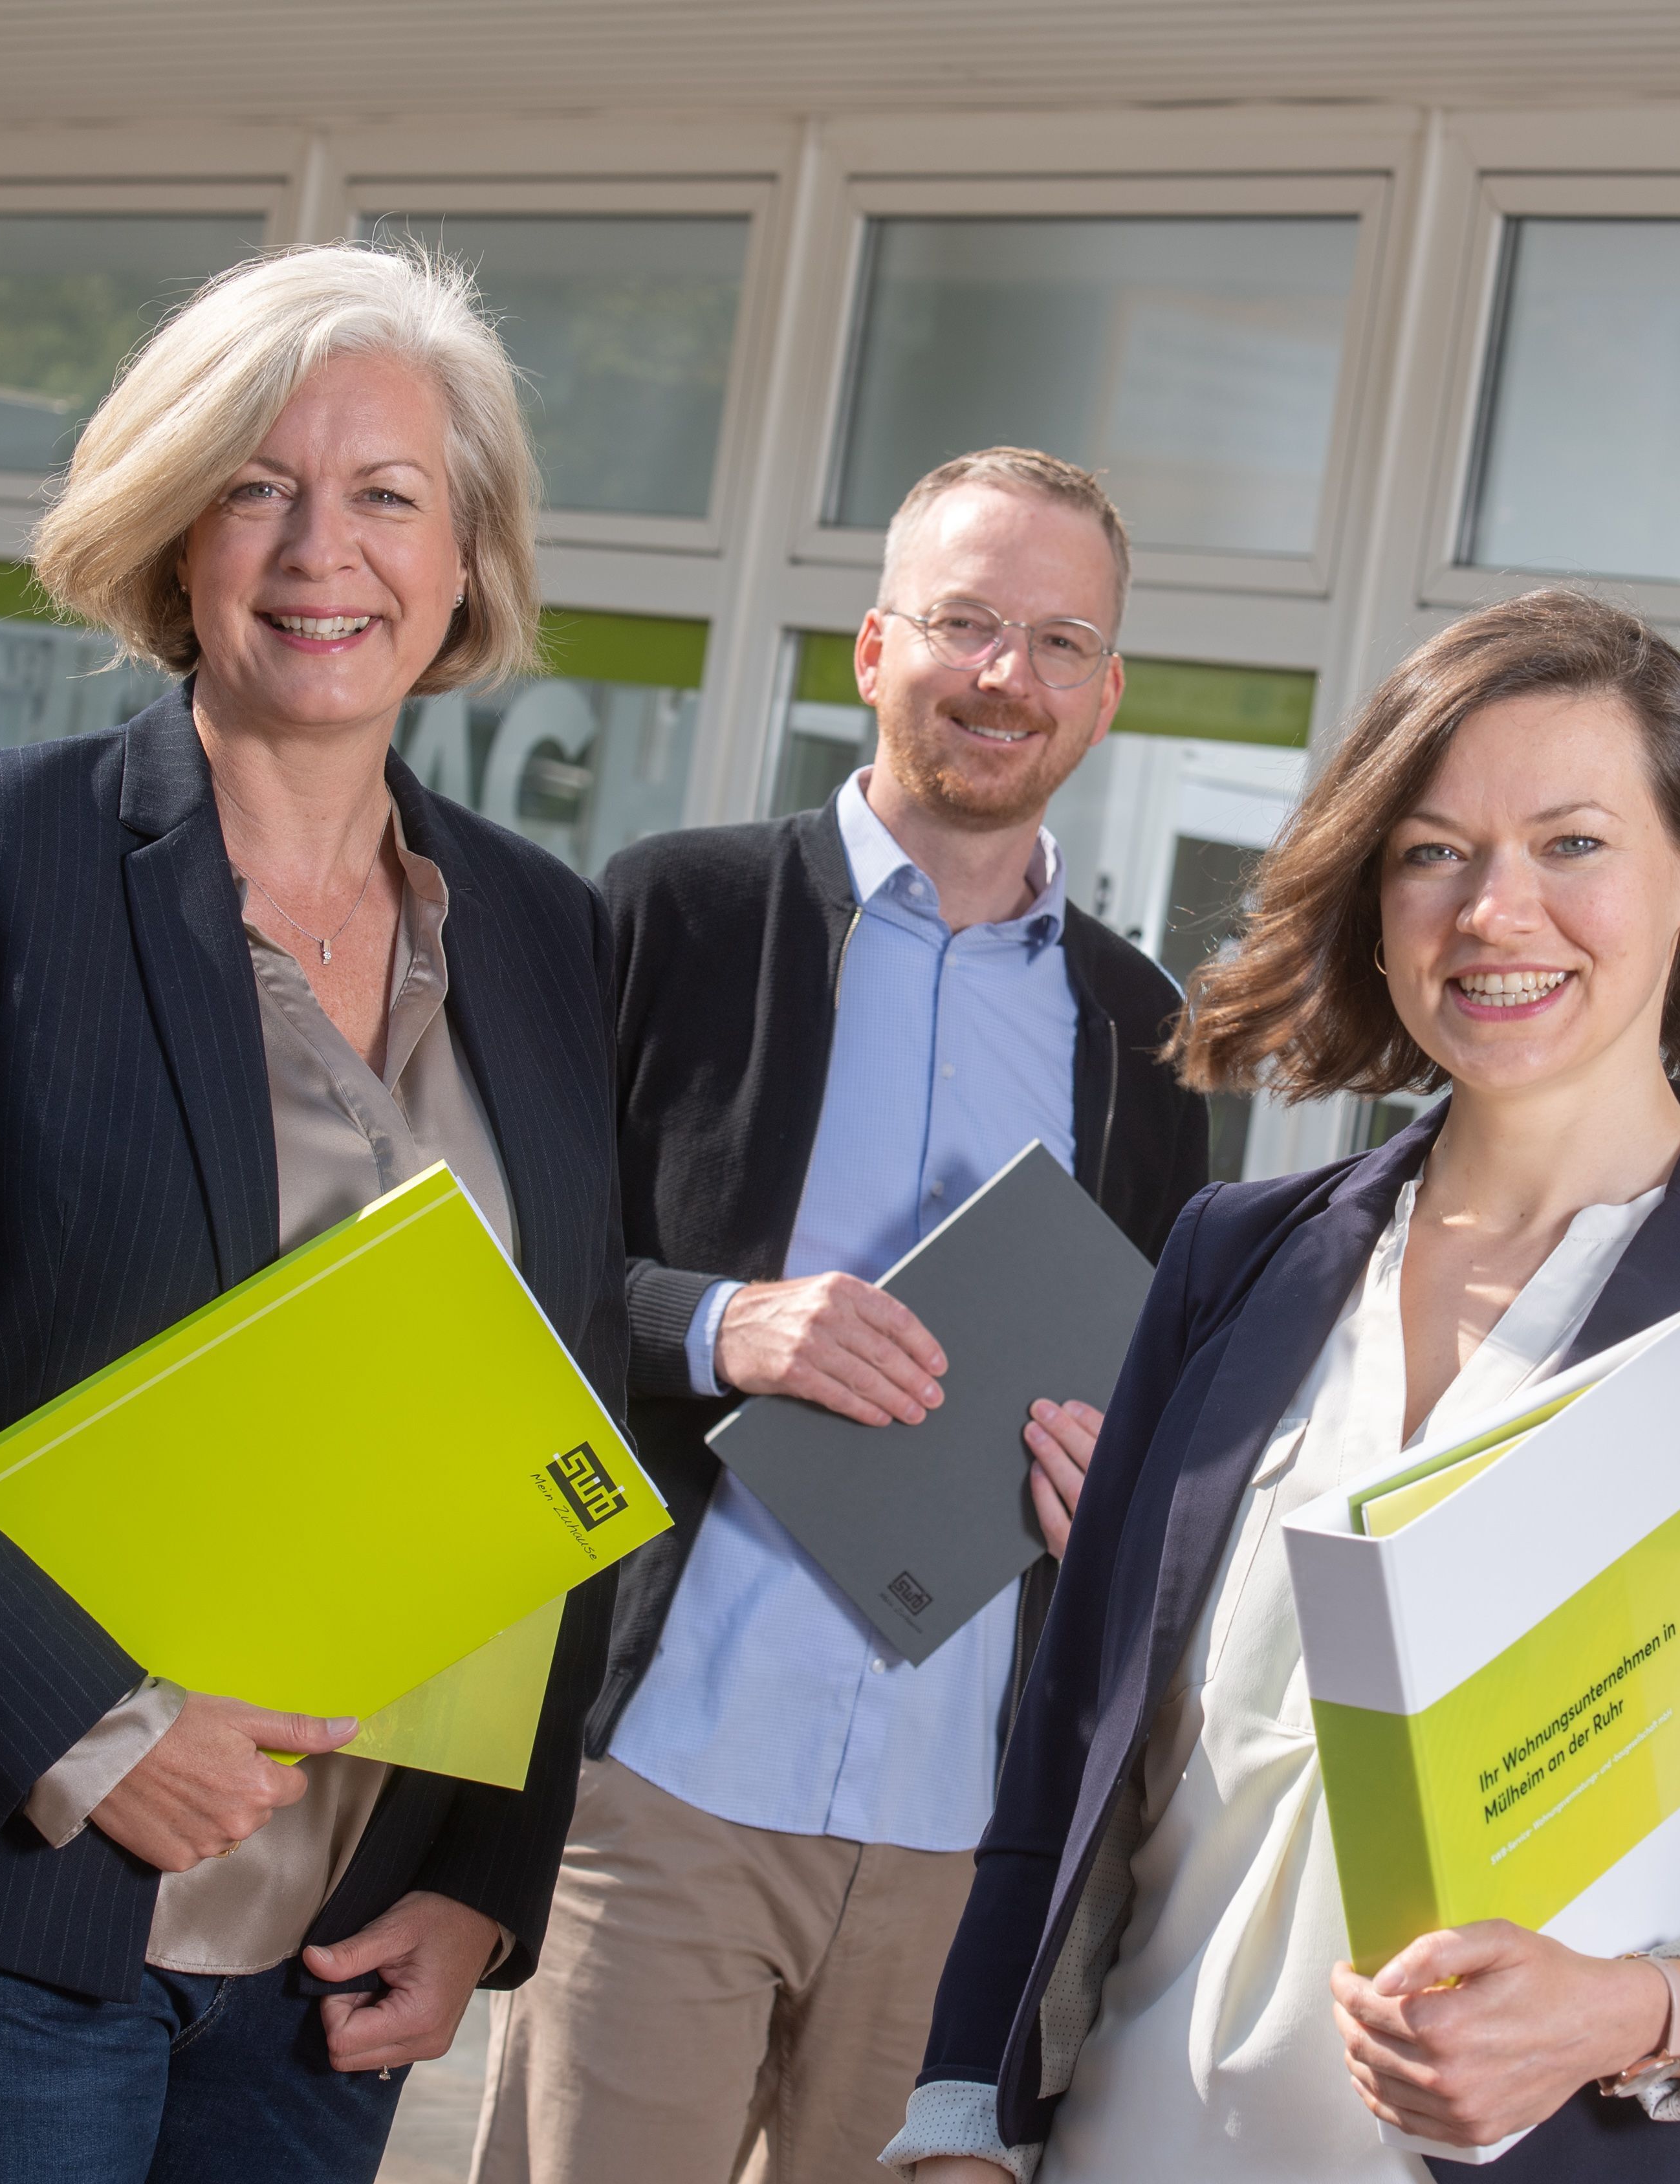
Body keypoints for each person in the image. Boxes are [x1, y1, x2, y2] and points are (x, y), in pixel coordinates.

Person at [0, 241, 624, 2183]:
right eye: (258, 486)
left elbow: (546, 1416)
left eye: (384, 497)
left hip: (322, 1970)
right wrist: (89, 1725)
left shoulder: (542, 930)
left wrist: (483, 1883)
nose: (315, 551)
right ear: (176, 534)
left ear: (464, 562)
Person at [888, 589, 1680, 2184]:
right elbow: (1065, 1755)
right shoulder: (1235, 1255)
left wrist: (1634, 2007)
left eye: (1572, 844)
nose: (1494, 910)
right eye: (1432, 850)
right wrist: (956, 2127)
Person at [468, 448, 1213, 2184]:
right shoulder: (679, 914)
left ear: (1103, 698)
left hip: (958, 1834)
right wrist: (721, 1324)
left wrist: (1112, 1484)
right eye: (963, 622)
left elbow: (1162, 1402)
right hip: (669, 1779)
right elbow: (509, 1278)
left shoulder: (1140, 1034)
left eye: (1053, 640)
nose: (1002, 675)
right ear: (873, 649)